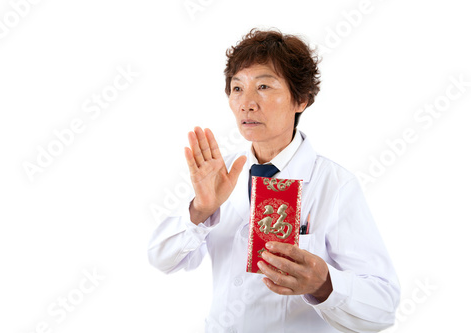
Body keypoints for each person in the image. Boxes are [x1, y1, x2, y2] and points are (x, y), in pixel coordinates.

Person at [148, 28, 400, 332]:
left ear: (301, 99)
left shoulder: (334, 184)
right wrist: (200, 210)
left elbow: (383, 307)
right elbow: (163, 260)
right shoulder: (220, 173)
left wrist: (324, 285)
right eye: (237, 88)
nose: (247, 103)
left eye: (264, 86)